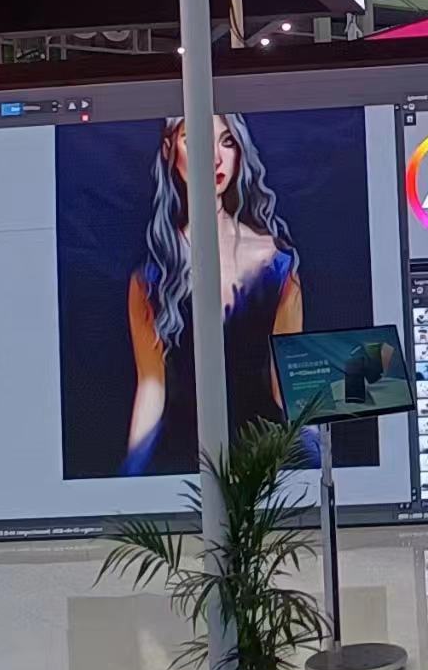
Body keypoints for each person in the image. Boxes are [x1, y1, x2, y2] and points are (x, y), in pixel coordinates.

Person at [124, 114, 304, 476]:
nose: (215, 159)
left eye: (227, 142)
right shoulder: (150, 277)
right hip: (181, 459)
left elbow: (286, 384)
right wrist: (129, 477)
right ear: (169, 150)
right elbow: (152, 387)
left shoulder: (276, 262)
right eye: (196, 142)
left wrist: (318, 460)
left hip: (262, 457)